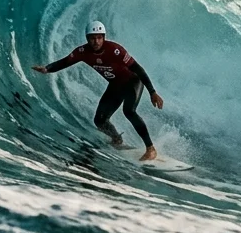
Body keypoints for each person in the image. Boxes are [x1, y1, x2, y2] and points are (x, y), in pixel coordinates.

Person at [32, 21, 166, 162]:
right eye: (92, 38)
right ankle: (116, 139)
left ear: (103, 37)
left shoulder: (115, 50)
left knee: (129, 111)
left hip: (133, 82)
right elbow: (65, 62)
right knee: (100, 120)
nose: (96, 41)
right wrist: (47, 69)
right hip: (116, 85)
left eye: (99, 37)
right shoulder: (82, 52)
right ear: (87, 38)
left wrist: (152, 92)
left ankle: (151, 149)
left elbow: (138, 69)